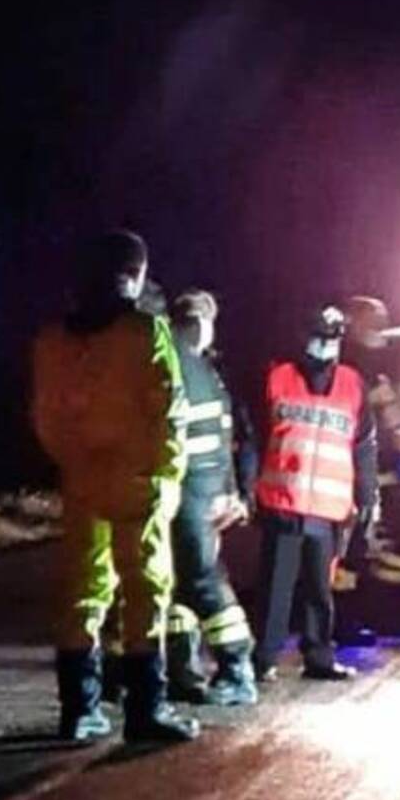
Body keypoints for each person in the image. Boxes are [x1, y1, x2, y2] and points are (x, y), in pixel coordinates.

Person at [30, 229, 200, 742]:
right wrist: (166, 476)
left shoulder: (53, 339)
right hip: (137, 480)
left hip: (82, 478)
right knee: (146, 589)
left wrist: (74, 460)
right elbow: (169, 412)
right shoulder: (145, 333)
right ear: (136, 274)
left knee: (83, 589)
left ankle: (78, 709)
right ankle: (145, 711)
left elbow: (45, 415)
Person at [250, 299, 383, 682]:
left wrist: (368, 496)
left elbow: (364, 446)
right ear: (302, 337)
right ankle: (264, 658)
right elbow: (255, 437)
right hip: (282, 501)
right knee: (275, 588)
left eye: (332, 339)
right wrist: (247, 488)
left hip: (326, 508)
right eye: (318, 337)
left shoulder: (352, 385)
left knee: (319, 591)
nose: (325, 345)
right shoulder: (278, 377)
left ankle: (319, 657)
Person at [163, 290, 260, 704]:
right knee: (180, 582)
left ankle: (237, 667)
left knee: (201, 578)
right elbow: (228, 437)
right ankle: (182, 669)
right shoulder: (204, 369)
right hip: (201, 491)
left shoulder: (177, 361)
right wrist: (232, 493)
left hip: (188, 491)